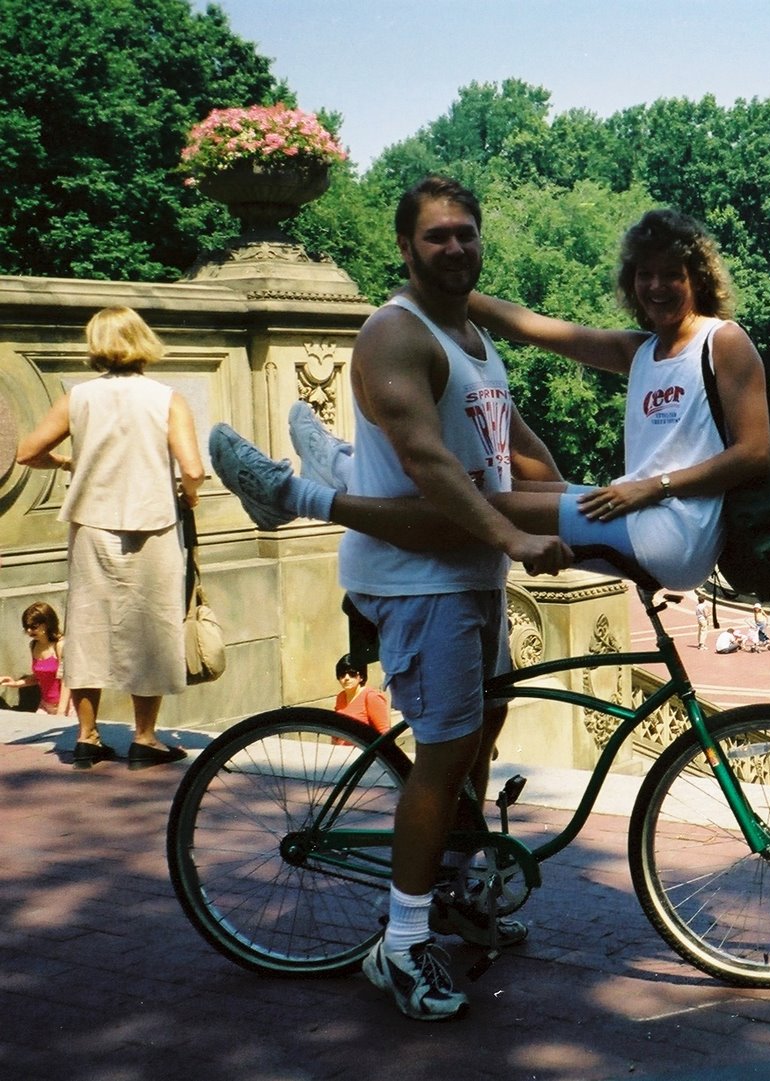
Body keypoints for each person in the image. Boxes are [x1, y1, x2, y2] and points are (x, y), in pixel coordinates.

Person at [212, 177, 581, 1021]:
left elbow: (514, 447)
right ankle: (403, 943)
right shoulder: (392, 333)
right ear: (407, 248)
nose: (455, 247)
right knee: (447, 751)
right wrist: (518, 538)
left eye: (466, 234)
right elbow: (432, 465)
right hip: (420, 581)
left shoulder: (473, 334)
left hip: (470, 572)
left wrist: (595, 507)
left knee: (481, 734)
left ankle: (451, 886)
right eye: (437, 236)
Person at [216, 204, 770, 597]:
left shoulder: (722, 341)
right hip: (645, 513)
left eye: (671, 275)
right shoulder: (645, 351)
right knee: (508, 490)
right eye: (645, 276)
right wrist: (430, 290)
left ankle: (303, 493)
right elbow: (535, 327)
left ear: (697, 278)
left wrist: (652, 485)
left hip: (671, 530)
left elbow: (754, 454)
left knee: (482, 503)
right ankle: (347, 467)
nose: (656, 288)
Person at [15, 307, 204, 770]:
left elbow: (27, 452)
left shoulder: (77, 398)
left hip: (92, 525)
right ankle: (144, 739)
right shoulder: (167, 398)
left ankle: (86, 736)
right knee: (152, 630)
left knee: (88, 629)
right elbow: (194, 468)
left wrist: (66, 464)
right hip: (153, 524)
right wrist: (191, 494)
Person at [1, 602, 70, 717]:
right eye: (26, 627)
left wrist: (61, 712)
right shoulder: (34, 645)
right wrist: (15, 683)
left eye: (33, 627)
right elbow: (39, 677)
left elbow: (67, 681)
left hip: (66, 708)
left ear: (47, 623)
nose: (29, 631)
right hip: (45, 705)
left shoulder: (60, 645)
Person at [333, 654, 390, 736]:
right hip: (342, 748)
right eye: (342, 674)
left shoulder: (371, 697)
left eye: (352, 673)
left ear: (361, 677)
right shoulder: (340, 697)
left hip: (364, 748)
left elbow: (384, 732)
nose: (346, 678)